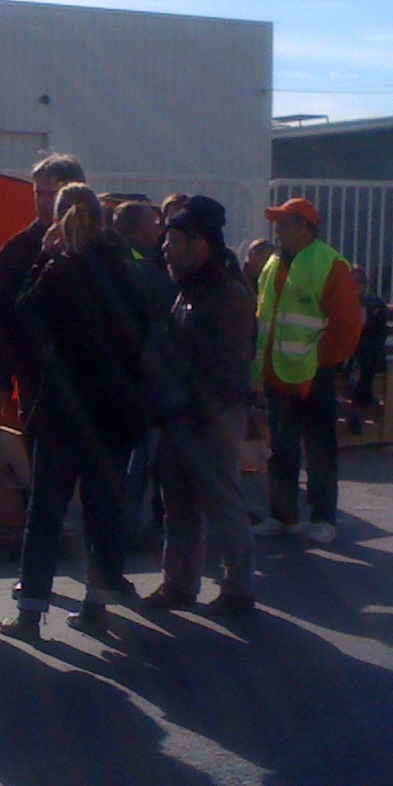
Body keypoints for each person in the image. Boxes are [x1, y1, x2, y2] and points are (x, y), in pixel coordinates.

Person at [0, 183, 150, 642]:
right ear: (102, 220)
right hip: (115, 411)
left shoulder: (60, 269)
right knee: (103, 512)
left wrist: (43, 258)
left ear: (59, 223)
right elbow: (145, 329)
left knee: (45, 513)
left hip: (63, 410)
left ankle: (30, 615)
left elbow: (23, 316)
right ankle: (96, 607)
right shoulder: (125, 270)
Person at [144, 195, 258, 615]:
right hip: (181, 415)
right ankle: (178, 585)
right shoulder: (186, 289)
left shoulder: (229, 295)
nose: (166, 248)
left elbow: (232, 368)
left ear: (201, 243)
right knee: (178, 504)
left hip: (211, 418)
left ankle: (238, 589)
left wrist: (198, 411)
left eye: (174, 241)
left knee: (222, 503)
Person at [251, 197, 362, 544]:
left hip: (314, 375)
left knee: (319, 448)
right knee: (281, 448)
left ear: (305, 227)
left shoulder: (330, 264)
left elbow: (346, 325)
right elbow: (264, 318)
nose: (277, 230)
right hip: (278, 373)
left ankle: (323, 518)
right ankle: (282, 516)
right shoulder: (273, 263)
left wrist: (318, 362)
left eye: (284, 223)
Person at [0, 153, 85, 427]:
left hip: (96, 382)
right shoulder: (19, 250)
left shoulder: (106, 246)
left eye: (53, 194)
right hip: (39, 383)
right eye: (39, 194)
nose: (45, 203)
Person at [111, 197, 176, 543]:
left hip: (118, 373)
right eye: (153, 222)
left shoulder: (110, 259)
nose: (159, 227)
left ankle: (120, 520)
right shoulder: (145, 269)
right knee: (141, 451)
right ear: (139, 228)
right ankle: (129, 522)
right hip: (143, 376)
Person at [343, 265, 389, 435]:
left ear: (365, 284)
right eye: (352, 281)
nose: (356, 284)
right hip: (346, 353)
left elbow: (380, 335)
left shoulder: (375, 304)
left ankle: (356, 412)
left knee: (363, 361)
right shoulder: (342, 303)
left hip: (368, 354)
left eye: (360, 281)